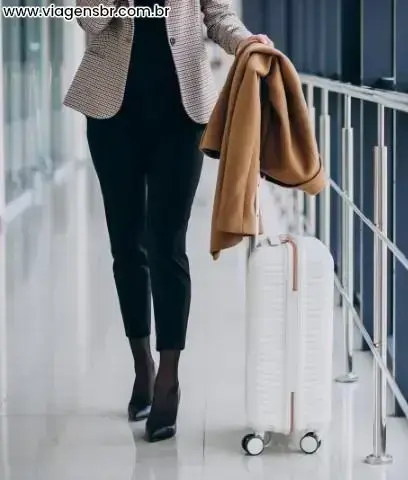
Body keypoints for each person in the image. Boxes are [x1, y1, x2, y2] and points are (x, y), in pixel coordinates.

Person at [63, 0, 271, 442]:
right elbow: (89, 18)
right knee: (126, 243)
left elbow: (216, 15)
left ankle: (168, 378)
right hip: (112, 113)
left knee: (167, 242)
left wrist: (244, 43)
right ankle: (143, 365)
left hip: (181, 112)